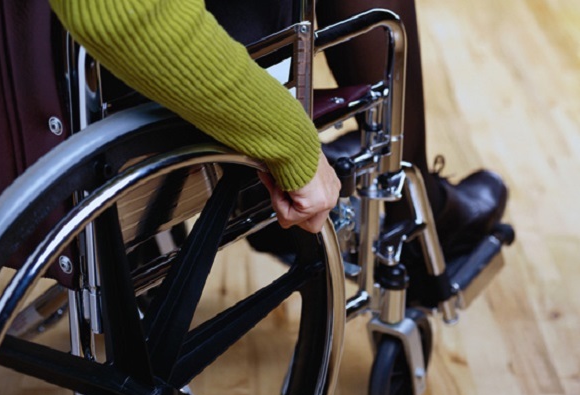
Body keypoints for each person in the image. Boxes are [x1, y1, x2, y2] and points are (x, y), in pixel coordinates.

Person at [48, 0, 507, 257]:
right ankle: (420, 209)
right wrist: (291, 147)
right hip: (127, 90)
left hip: (18, 107)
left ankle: (417, 199)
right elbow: (121, 13)